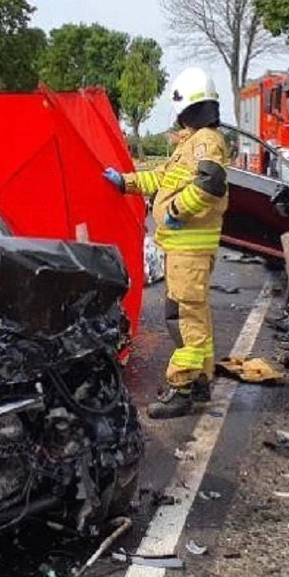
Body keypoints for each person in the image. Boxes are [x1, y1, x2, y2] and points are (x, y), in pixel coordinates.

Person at [104, 67, 229, 419]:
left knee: (184, 318)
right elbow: (162, 177)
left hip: (189, 248)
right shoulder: (191, 143)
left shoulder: (205, 141)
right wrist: (125, 182)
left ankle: (182, 387)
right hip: (183, 250)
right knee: (193, 316)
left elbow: (210, 183)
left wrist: (175, 209)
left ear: (187, 108)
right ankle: (201, 380)